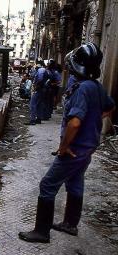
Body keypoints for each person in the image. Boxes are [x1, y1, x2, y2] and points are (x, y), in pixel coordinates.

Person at [18, 42, 115, 243]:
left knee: (47, 185)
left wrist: (64, 147)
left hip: (74, 150)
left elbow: (75, 123)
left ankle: (41, 232)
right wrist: (94, 121)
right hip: (87, 148)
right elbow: (109, 107)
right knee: (75, 182)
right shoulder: (96, 86)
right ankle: (70, 224)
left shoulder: (82, 89)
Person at [25, 59, 48, 125]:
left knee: (33, 104)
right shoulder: (43, 69)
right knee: (39, 104)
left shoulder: (41, 70)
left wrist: (36, 86)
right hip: (42, 89)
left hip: (39, 89)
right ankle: (38, 119)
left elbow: (40, 79)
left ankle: (32, 120)